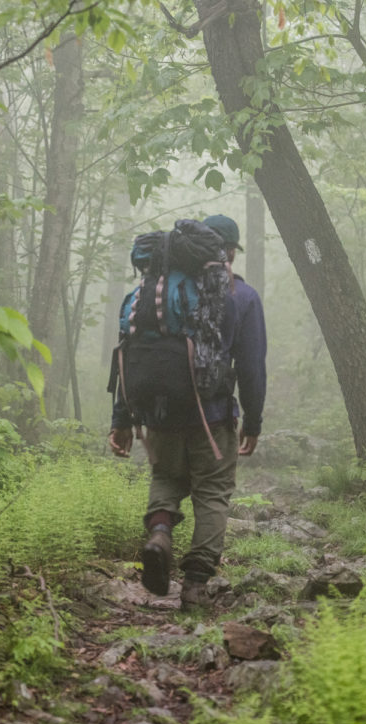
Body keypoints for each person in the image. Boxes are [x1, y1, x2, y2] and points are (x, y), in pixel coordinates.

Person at [108, 214, 267, 611]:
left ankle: (160, 534)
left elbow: (126, 356)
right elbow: (251, 366)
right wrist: (253, 421)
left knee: (165, 478)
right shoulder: (241, 297)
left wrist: (122, 420)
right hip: (212, 418)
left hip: (157, 417)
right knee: (212, 494)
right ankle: (195, 585)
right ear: (227, 251)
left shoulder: (154, 295)